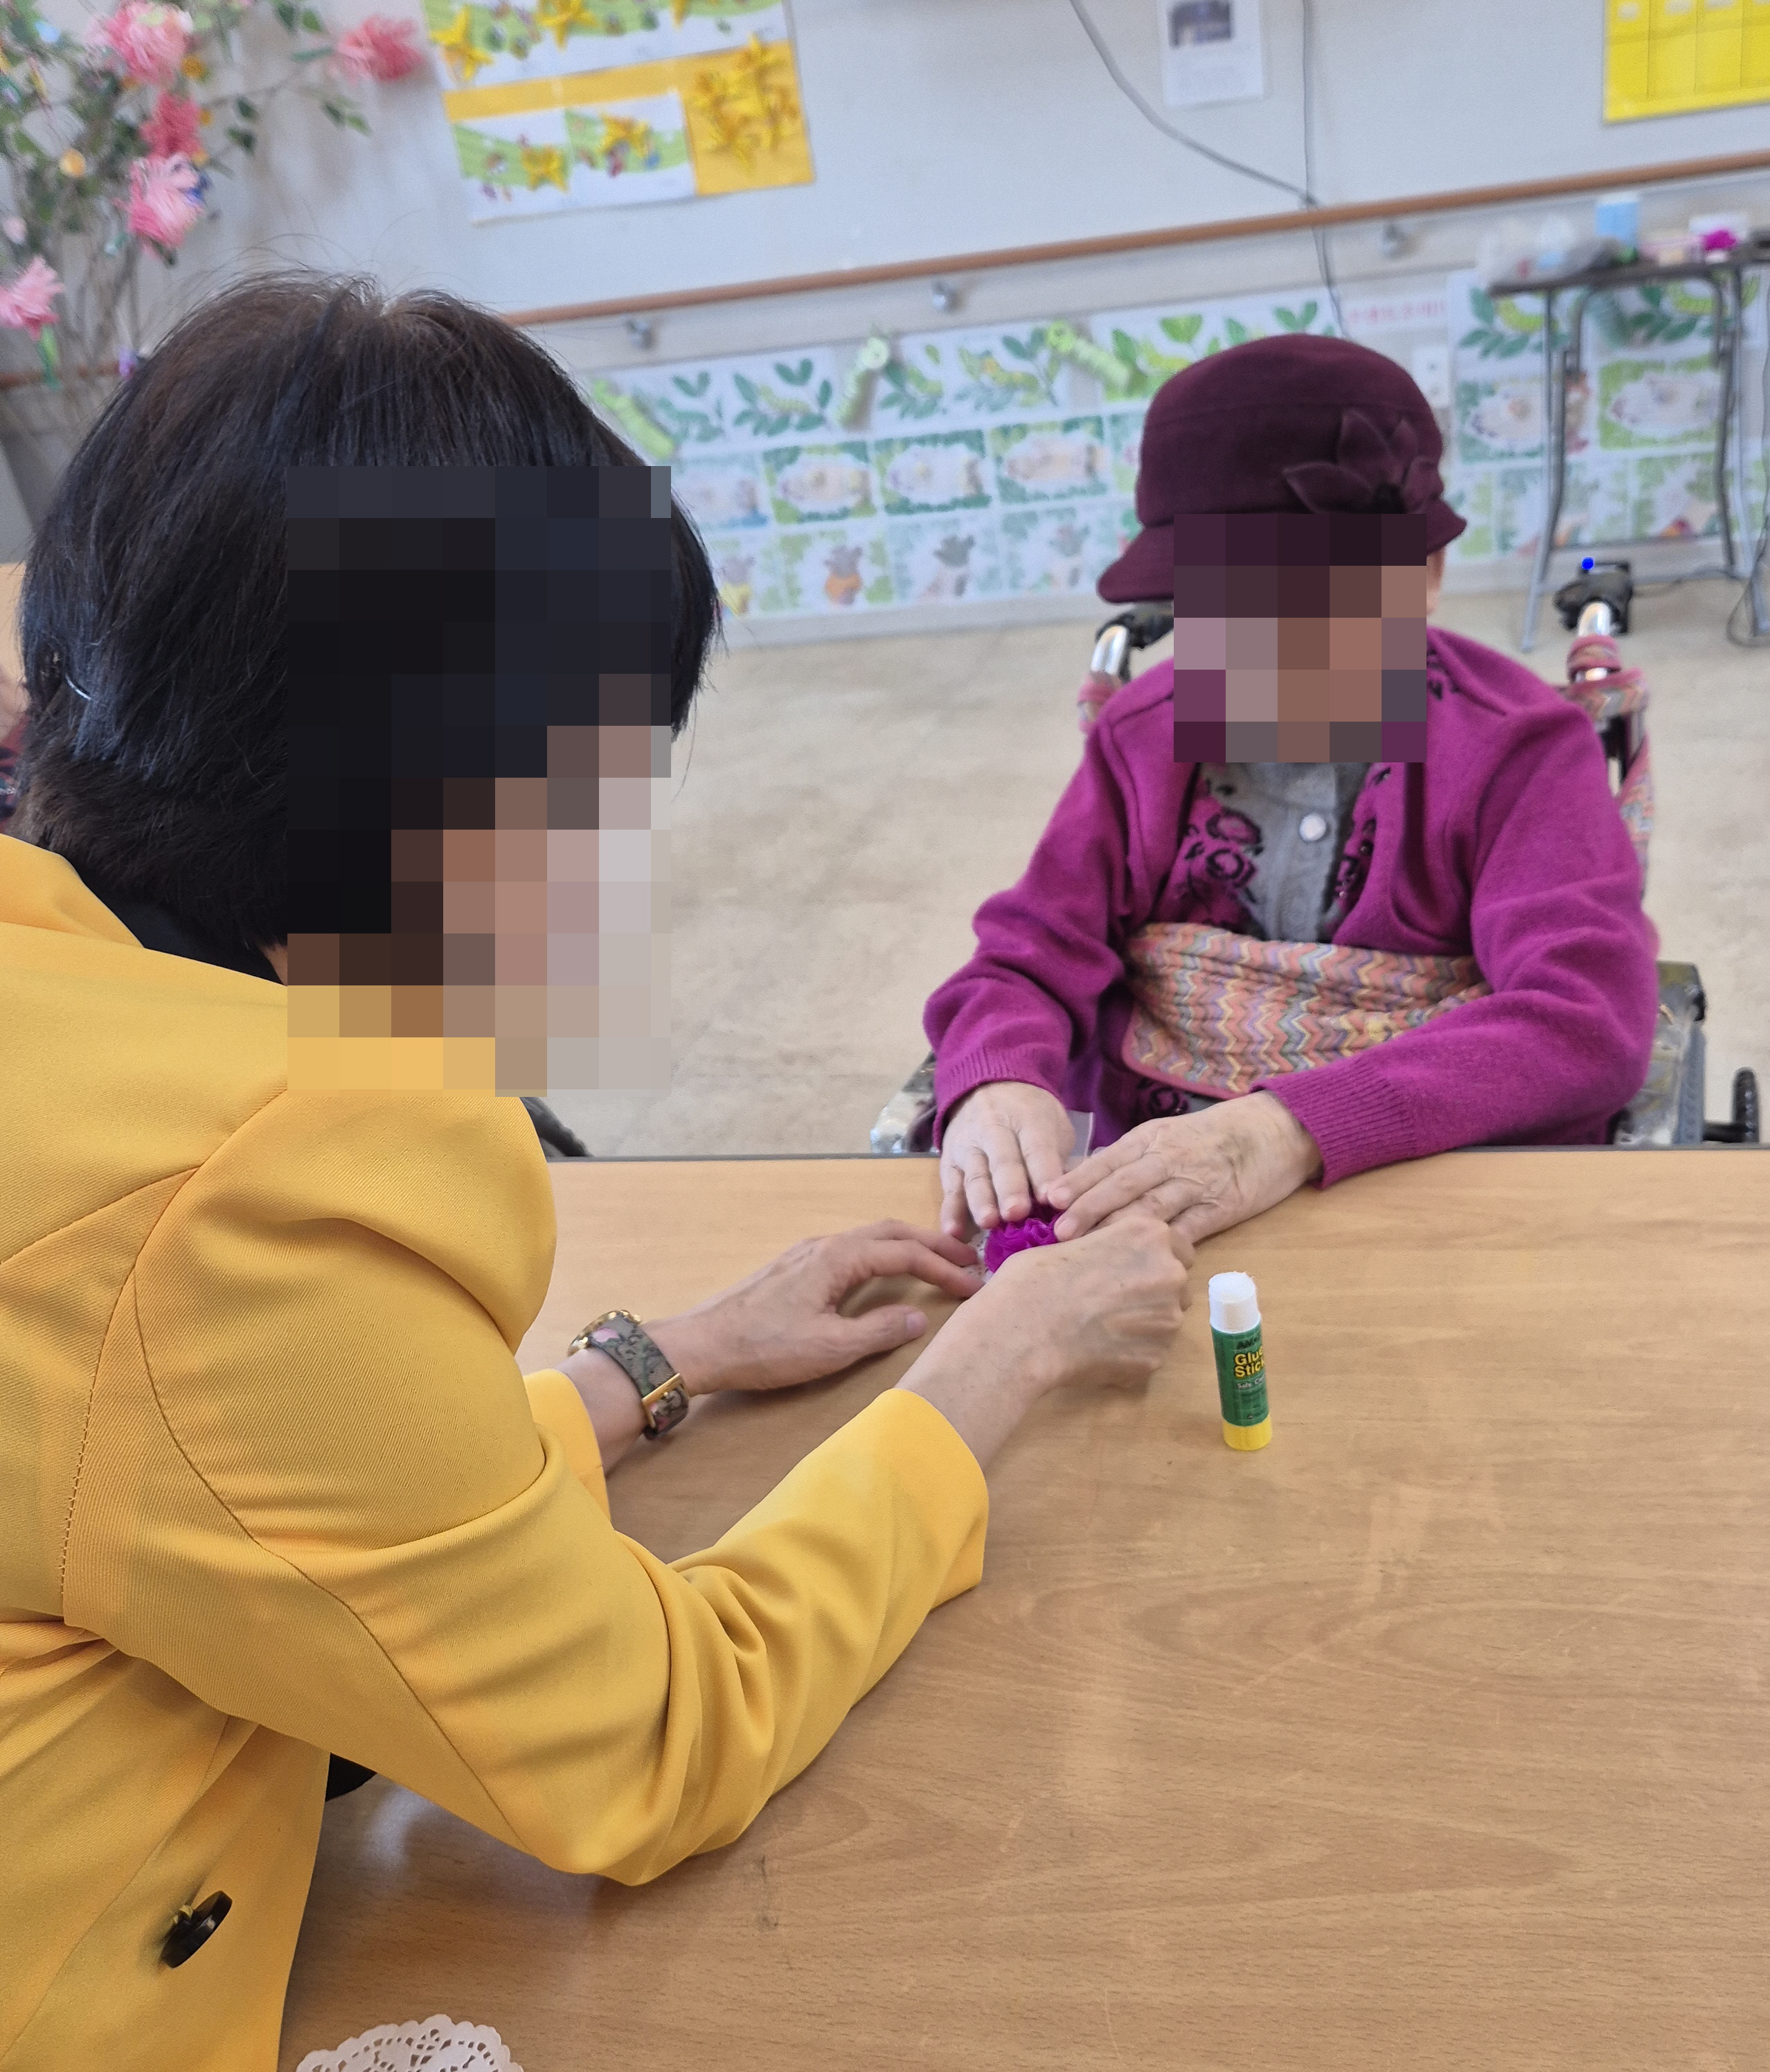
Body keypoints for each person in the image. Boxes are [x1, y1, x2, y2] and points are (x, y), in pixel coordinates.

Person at [0, 276, 1190, 2071]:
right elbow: (649, 1738)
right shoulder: (249, 1189)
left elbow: (257, 1491)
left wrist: (661, 1361)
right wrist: (998, 1359)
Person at [927, 334, 1658, 1250]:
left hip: (1412, 1182)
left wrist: (1283, 1130)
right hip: (1145, 1187)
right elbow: (1031, 952)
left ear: (1424, 578)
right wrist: (999, 1078)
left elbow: (1586, 1016)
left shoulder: (1519, 748)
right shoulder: (1142, 735)